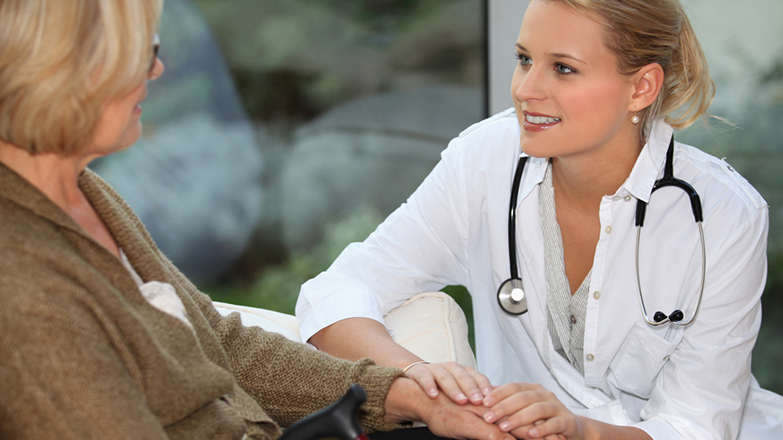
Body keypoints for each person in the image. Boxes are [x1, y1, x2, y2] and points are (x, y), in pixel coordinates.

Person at [0, 1, 518, 439]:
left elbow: (221, 345)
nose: (157, 72)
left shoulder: (86, 191)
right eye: (144, 53)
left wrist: (405, 394)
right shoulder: (21, 288)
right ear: (60, 70)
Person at [296, 0, 783, 439]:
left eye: (563, 69)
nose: (526, 90)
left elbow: (696, 427)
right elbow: (337, 290)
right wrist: (415, 377)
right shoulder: (484, 160)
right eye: (524, 59)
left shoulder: (723, 216)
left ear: (641, 87)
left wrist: (580, 431)